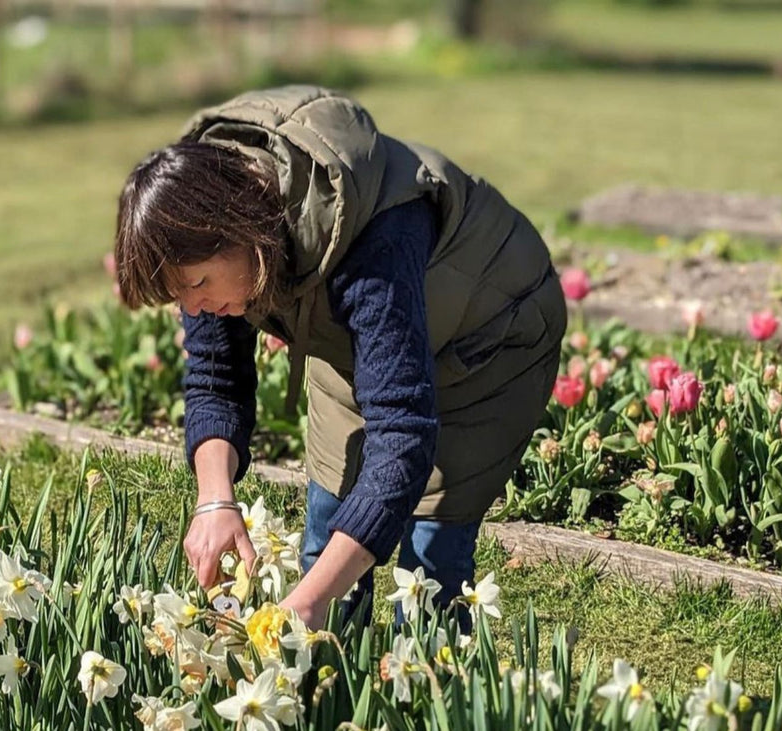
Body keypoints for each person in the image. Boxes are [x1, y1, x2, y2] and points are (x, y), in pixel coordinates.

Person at [114, 85, 566, 629]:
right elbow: (215, 377)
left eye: (198, 285)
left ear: (243, 233)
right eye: (178, 294)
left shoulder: (373, 242)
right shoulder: (203, 223)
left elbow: (402, 432)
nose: (194, 306)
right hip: (360, 340)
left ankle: (425, 697)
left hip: (489, 338)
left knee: (430, 568)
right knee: (326, 536)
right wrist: (214, 500)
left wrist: (307, 603)